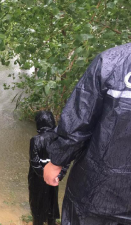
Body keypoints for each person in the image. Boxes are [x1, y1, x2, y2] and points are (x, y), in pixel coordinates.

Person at [44, 43, 131, 224]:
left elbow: (80, 118)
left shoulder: (110, 61)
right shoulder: (110, 62)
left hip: (96, 189)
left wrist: (57, 161)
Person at [28, 111, 69, 225]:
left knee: (37, 207)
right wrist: (59, 176)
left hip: (37, 180)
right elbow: (65, 161)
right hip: (54, 179)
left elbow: (35, 163)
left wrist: (44, 175)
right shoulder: (59, 139)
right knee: (52, 205)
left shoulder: (35, 140)